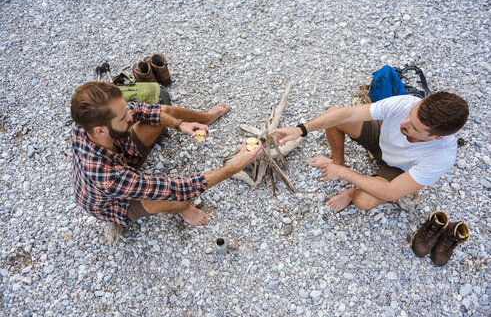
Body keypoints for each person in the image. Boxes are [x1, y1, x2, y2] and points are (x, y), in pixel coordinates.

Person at [70, 82, 262, 229]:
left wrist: (181, 124)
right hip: (116, 202)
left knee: (163, 112)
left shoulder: (88, 125)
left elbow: (144, 111)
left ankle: (207, 117)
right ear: (100, 130)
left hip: (120, 154)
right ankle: (183, 210)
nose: (130, 116)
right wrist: (235, 166)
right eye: (123, 117)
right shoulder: (107, 178)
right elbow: (179, 188)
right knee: (178, 199)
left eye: (125, 109)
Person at [269, 92, 468, 212]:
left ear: (436, 137)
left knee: (363, 201)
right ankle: (338, 161)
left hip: (398, 169)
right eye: (409, 115)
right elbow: (345, 113)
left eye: (413, 127)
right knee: (334, 116)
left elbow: (391, 193)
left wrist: (342, 175)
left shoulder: (442, 156)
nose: (403, 123)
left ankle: (350, 190)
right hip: (381, 140)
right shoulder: (407, 103)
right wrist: (300, 130)